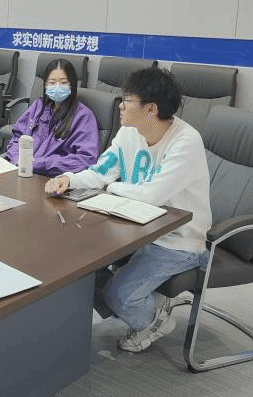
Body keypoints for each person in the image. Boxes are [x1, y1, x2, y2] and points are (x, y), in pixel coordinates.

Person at [45, 68, 212, 352]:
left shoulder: (186, 141)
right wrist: (69, 179)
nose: (120, 105)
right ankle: (140, 299)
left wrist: (112, 187)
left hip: (178, 240)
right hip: (136, 229)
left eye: (127, 100)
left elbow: (152, 196)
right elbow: (100, 172)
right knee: (78, 265)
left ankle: (156, 319)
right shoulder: (129, 132)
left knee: (119, 296)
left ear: (150, 109)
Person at [5, 58, 98, 176]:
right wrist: (17, 159)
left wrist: (41, 164)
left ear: (72, 84)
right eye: (52, 82)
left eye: (63, 82)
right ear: (45, 85)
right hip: (22, 171)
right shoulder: (38, 107)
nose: (57, 87)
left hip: (54, 178)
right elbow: (17, 137)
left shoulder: (83, 116)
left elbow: (85, 159)